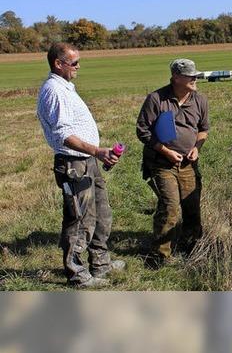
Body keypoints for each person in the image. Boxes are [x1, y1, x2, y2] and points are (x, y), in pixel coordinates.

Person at [36, 42, 125, 288]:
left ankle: (101, 264)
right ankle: (77, 273)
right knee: (80, 220)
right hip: (73, 164)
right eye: (74, 63)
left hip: (87, 161)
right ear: (58, 63)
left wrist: (95, 155)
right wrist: (97, 150)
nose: (78, 67)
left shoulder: (66, 88)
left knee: (102, 214)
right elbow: (64, 134)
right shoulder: (54, 90)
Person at [136, 58, 209, 267]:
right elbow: (142, 131)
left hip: (188, 164)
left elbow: (203, 129)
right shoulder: (156, 99)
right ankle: (160, 255)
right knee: (170, 207)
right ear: (176, 78)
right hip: (161, 163)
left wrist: (197, 148)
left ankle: (192, 247)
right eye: (190, 76)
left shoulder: (200, 100)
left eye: (196, 75)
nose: (195, 79)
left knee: (192, 207)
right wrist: (166, 151)